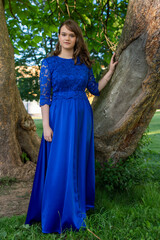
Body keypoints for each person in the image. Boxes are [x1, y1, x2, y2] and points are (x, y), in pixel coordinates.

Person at [25, 19, 118, 234]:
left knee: (76, 161)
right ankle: (54, 212)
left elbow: (94, 90)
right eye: (63, 34)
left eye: (71, 35)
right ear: (58, 37)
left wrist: (111, 71)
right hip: (58, 117)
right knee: (59, 163)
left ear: (77, 39)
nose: (67, 38)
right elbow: (45, 97)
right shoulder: (48, 63)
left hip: (81, 118)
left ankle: (75, 207)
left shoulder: (84, 64)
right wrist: (46, 125)